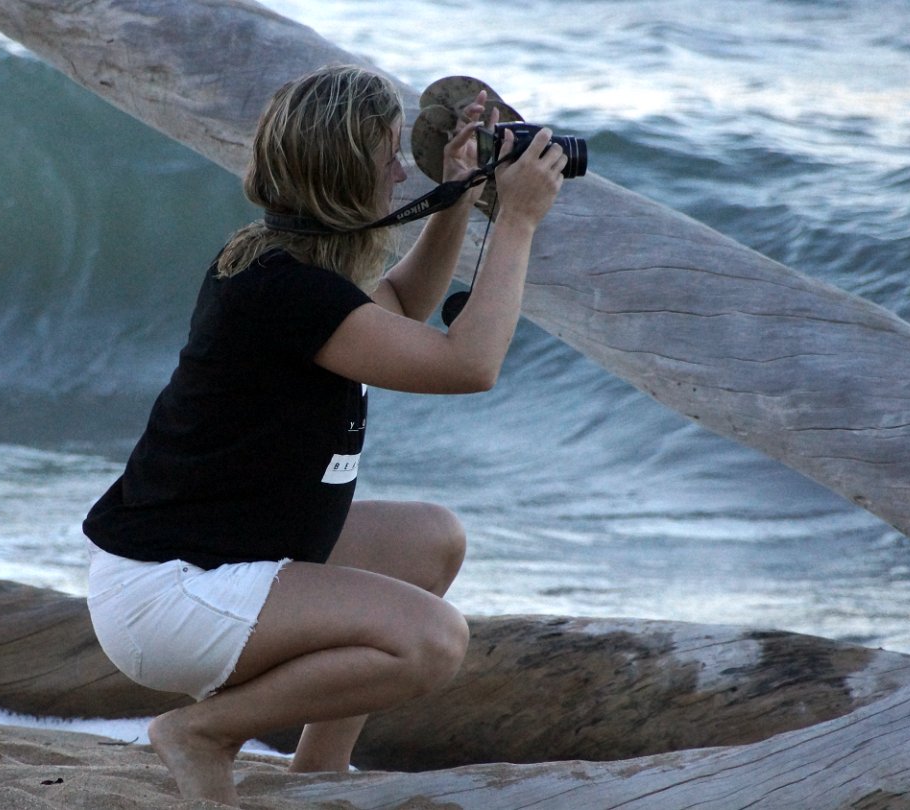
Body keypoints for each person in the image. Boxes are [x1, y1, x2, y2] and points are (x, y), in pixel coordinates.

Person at [83, 64, 567, 805]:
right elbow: (469, 364)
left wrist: (458, 196)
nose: (401, 172)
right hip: (171, 595)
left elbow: (400, 304)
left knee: (431, 540)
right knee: (432, 641)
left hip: (215, 557)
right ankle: (202, 732)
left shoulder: (286, 261)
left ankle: (319, 771)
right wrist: (518, 221)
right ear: (343, 173)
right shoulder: (283, 290)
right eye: (388, 156)